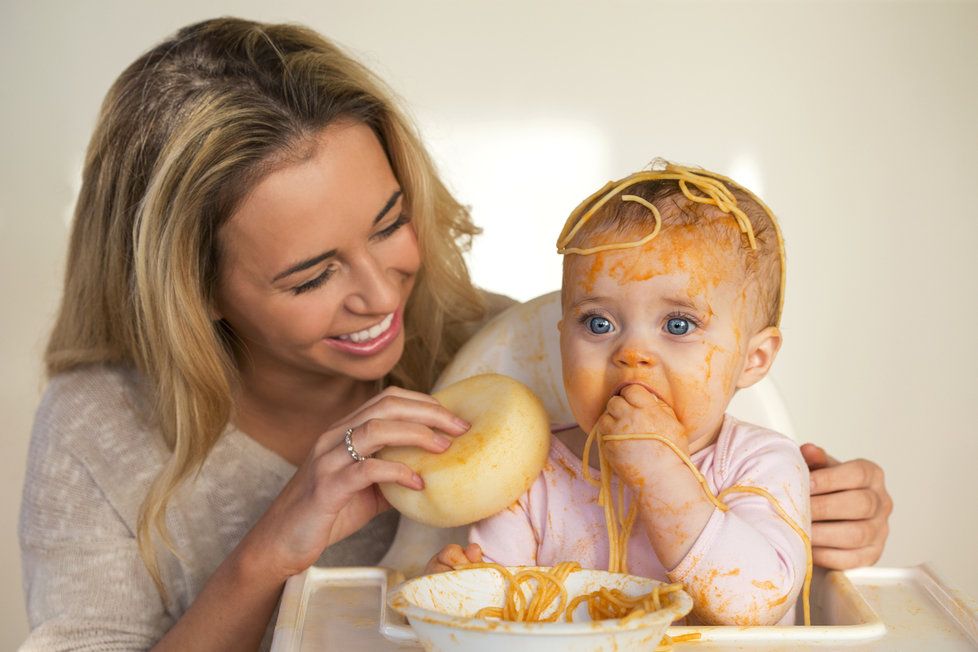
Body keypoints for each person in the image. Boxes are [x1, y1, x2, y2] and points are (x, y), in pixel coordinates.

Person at [18, 17, 891, 651]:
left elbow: (752, 559)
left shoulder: (519, 355)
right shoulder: (101, 425)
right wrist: (268, 556)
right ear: (193, 291)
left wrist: (822, 526)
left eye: (391, 222)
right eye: (312, 274)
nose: (378, 295)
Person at [426, 164, 813, 625]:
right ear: (562, 340)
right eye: (598, 323)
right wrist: (461, 590)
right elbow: (502, 615)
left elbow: (754, 605)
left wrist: (662, 473)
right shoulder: (530, 473)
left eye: (678, 325)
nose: (632, 354)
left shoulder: (762, 464)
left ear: (754, 359)